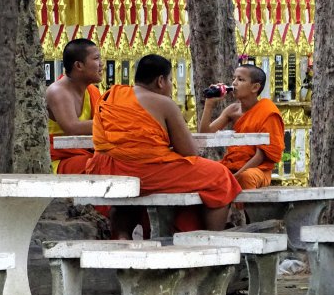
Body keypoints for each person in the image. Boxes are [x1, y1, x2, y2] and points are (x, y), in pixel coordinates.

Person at [85, 54, 242, 239]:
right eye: (170, 80)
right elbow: (189, 152)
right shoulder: (164, 103)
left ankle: (122, 236)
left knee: (126, 200)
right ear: (160, 81)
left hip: (105, 168)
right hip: (142, 171)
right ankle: (212, 240)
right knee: (220, 176)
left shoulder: (111, 95)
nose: (171, 85)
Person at [199, 64, 285, 189]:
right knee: (201, 172)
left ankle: (243, 209)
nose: (234, 83)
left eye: (240, 79)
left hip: (257, 169)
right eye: (234, 78)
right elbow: (205, 134)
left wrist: (235, 176)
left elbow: (260, 156)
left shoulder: (268, 111)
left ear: (255, 87)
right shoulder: (232, 110)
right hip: (231, 165)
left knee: (246, 178)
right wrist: (209, 104)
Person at [46, 38, 103, 174]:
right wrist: (114, 123)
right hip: (58, 160)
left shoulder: (92, 91)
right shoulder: (58, 91)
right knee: (102, 165)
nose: (102, 64)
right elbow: (72, 127)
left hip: (83, 154)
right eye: (96, 59)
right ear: (79, 65)